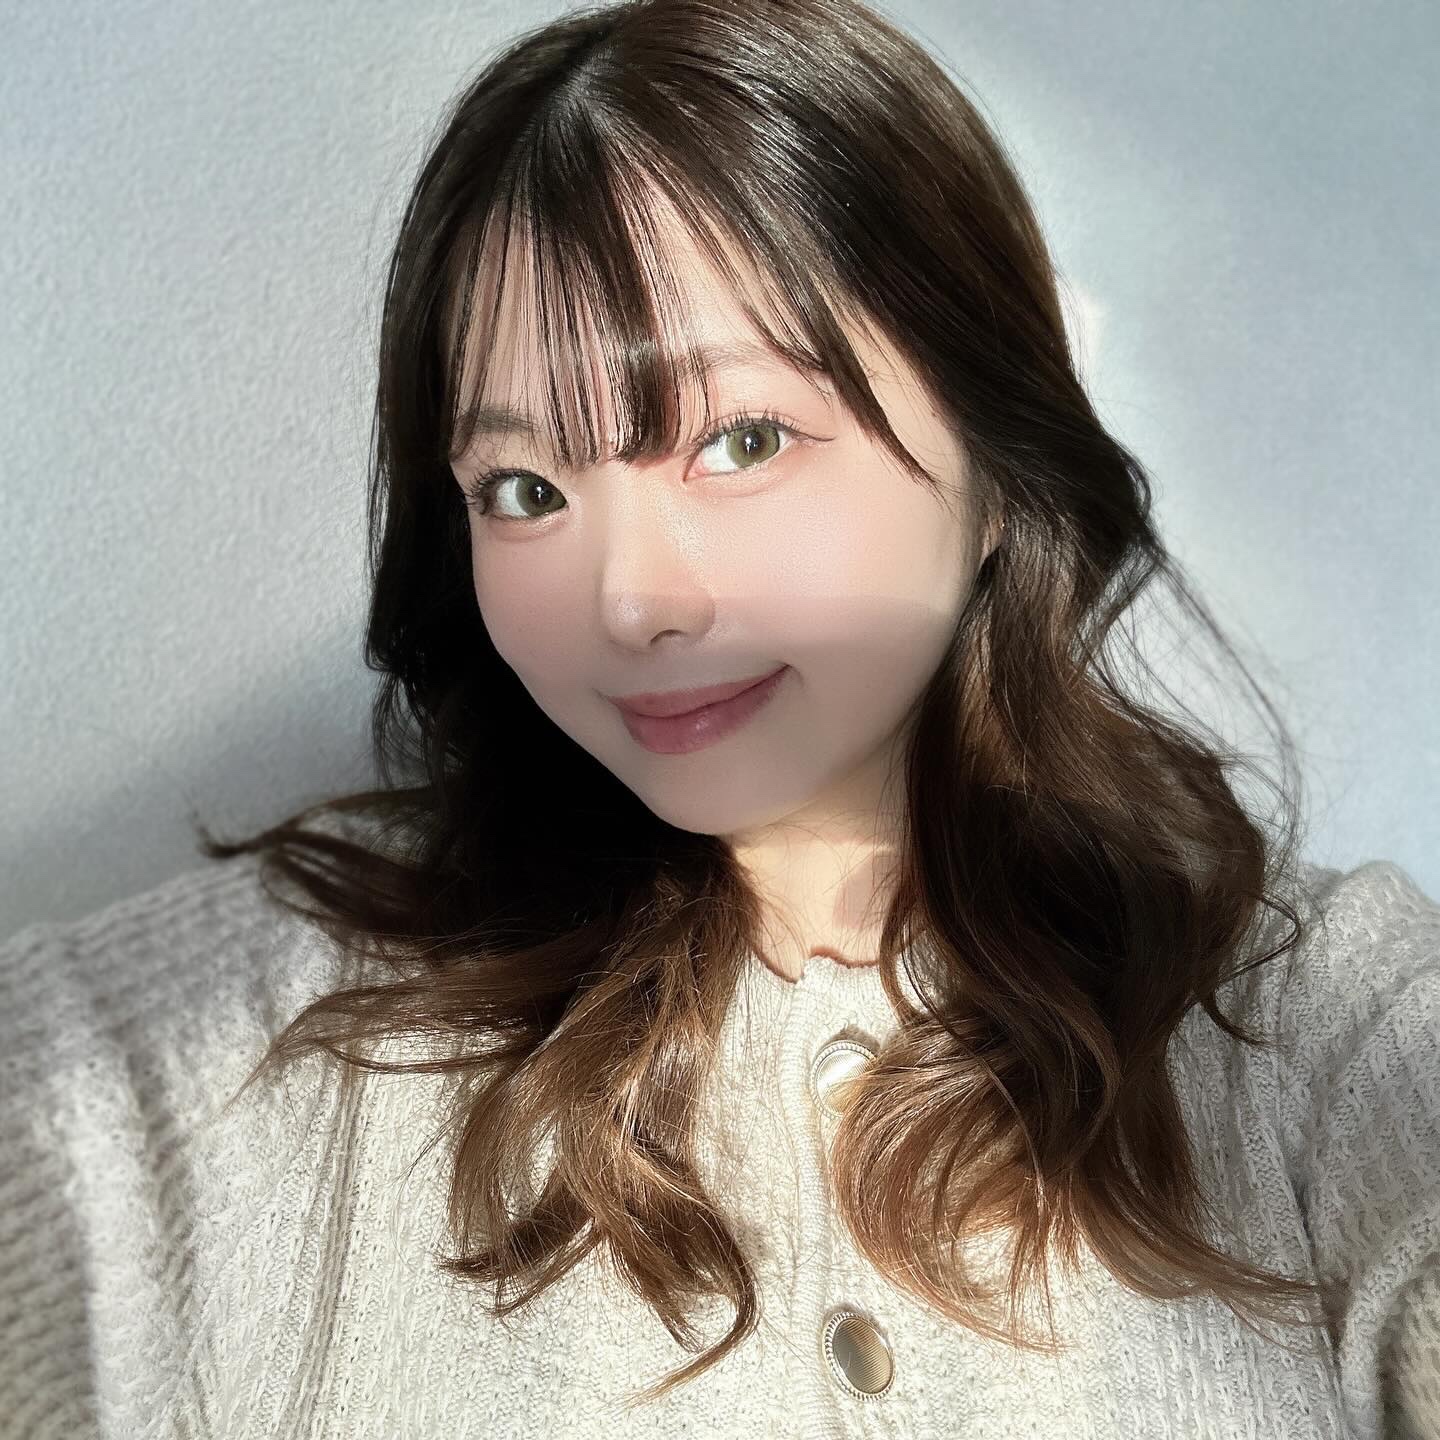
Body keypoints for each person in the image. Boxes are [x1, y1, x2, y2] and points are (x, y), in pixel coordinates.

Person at [2, 0, 1437, 1435]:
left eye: (742, 441)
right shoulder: (267, 1043)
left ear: (997, 458)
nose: (629, 603)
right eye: (525, 491)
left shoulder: (1317, 1030)